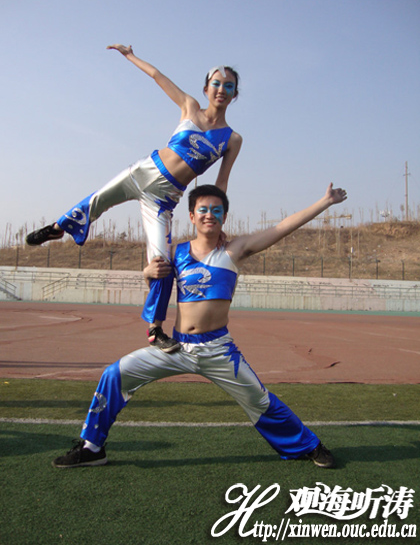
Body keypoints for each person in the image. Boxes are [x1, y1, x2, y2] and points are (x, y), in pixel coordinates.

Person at [52, 181, 347, 469]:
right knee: (114, 375)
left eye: (216, 210)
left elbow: (281, 228)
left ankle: (308, 446)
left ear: (224, 217)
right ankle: (92, 447)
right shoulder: (175, 253)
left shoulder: (234, 251)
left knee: (259, 400)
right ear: (192, 216)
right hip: (176, 347)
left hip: (218, 350)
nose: (209, 215)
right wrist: (146, 273)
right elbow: (157, 287)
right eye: (203, 210)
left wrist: (325, 202)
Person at [26, 44, 242, 352]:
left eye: (228, 86)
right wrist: (130, 56)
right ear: (206, 88)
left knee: (161, 263)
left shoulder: (232, 139)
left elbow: (221, 183)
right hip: (143, 171)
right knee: (98, 199)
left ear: (234, 94)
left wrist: (218, 224)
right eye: (216, 84)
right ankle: (58, 228)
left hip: (163, 198)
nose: (221, 90)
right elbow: (157, 75)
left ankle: (155, 329)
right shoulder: (190, 107)